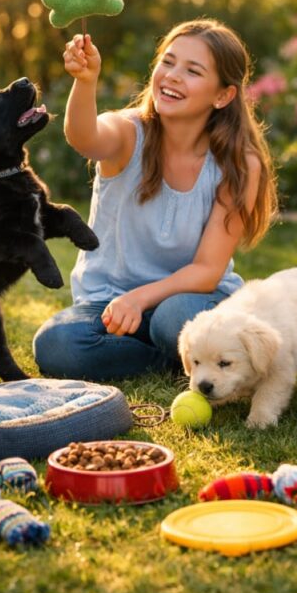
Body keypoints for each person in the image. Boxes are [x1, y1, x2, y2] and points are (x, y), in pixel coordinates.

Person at [33, 19, 277, 380]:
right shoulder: (129, 133)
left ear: (223, 95)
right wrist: (85, 82)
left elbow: (207, 271)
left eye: (193, 71)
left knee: (171, 319)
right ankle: (176, 361)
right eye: (168, 61)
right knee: (57, 344)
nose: (173, 75)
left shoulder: (239, 164)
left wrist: (141, 298)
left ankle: (183, 351)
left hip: (190, 301)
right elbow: (84, 138)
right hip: (109, 300)